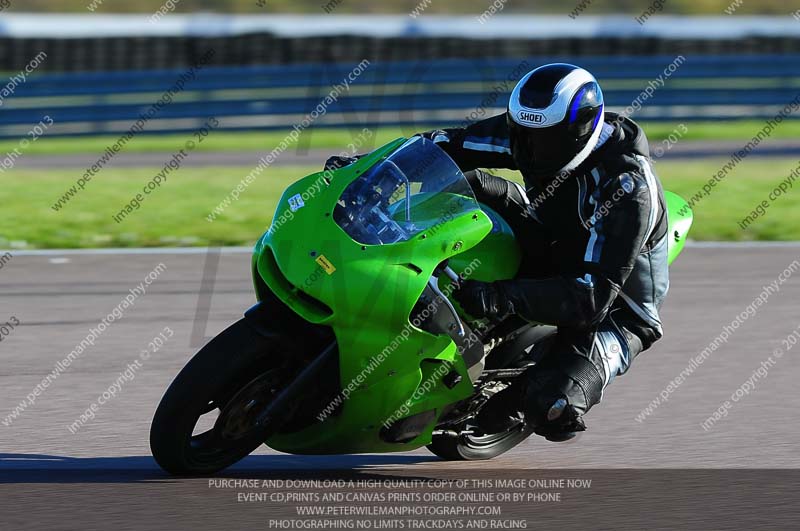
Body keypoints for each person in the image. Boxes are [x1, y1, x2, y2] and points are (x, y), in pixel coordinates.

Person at [328, 63, 669, 442]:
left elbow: (590, 299)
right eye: (523, 135)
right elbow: (446, 146)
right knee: (464, 186)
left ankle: (522, 397)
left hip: (613, 304)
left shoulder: (627, 190)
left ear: (580, 131)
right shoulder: (530, 133)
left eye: (544, 141)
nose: (528, 150)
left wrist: (498, 295)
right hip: (551, 236)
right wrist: (369, 170)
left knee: (552, 404)